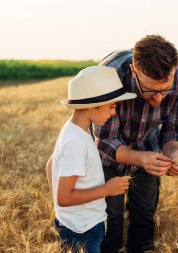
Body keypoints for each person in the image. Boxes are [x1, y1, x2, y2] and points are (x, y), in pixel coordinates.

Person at [93, 34, 178, 253]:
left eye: (164, 89)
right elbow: (105, 140)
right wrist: (140, 158)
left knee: (144, 215)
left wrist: (173, 154)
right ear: (134, 70)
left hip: (148, 144)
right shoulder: (109, 76)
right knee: (111, 217)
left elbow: (175, 131)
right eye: (149, 90)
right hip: (105, 157)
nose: (158, 99)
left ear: (174, 69)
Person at [46, 66, 136, 253]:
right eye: (112, 106)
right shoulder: (76, 142)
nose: (113, 113)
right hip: (82, 229)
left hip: (77, 222)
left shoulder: (74, 129)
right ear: (93, 105)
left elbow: (50, 164)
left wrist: (61, 210)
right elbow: (64, 197)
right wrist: (107, 189)